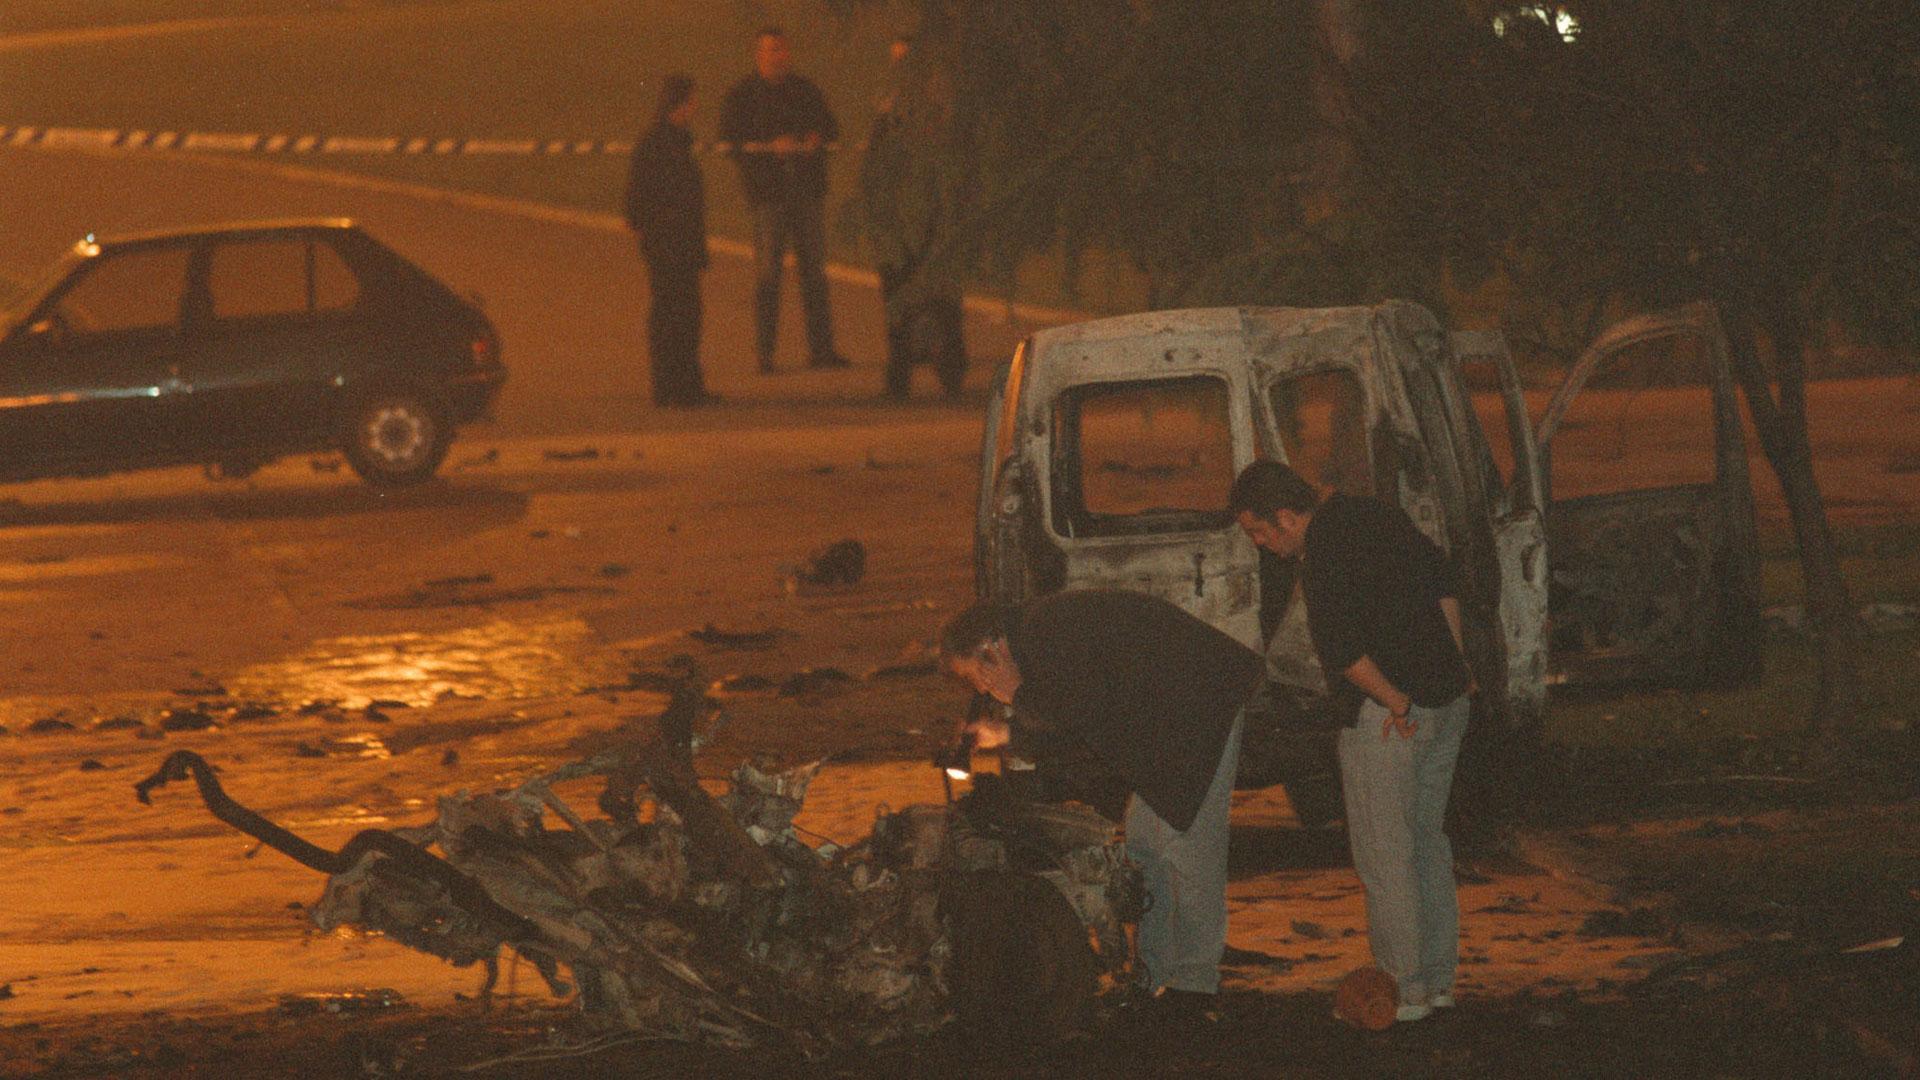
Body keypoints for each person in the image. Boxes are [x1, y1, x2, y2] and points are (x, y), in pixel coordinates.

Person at [939, 589, 1262, 1025]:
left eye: (977, 677)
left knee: (1189, 849)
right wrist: (1005, 730)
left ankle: (1195, 984)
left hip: (1199, 707)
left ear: (992, 650)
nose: (982, 689)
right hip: (1166, 717)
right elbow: (1072, 717)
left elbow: (1079, 714)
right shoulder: (1035, 635)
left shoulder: (1048, 634)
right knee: (1146, 847)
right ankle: (1154, 973)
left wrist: (1016, 695)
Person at [1229, 460, 1473, 1024]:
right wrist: (1451, 665)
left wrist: (1397, 702)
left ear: (1286, 517)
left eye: (1259, 532)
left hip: (1391, 719)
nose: (1262, 545)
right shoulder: (1375, 514)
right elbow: (1444, 585)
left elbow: (1343, 654)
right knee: (1426, 844)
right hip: (1448, 701)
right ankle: (1438, 983)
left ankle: (1402, 992)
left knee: (1385, 856)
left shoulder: (1322, 559)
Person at [719, 26, 849, 374]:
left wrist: (814, 138)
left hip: (806, 193)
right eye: (773, 50)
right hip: (768, 197)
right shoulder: (743, 96)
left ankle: (822, 349)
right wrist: (768, 146)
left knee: (815, 275)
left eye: (783, 49)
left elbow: (831, 128)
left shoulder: (805, 91)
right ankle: (765, 354)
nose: (780, 56)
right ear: (759, 55)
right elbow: (730, 139)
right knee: (767, 277)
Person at [858, 34, 967, 399]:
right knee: (898, 297)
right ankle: (900, 373)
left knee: (943, 297)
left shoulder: (938, 107)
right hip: (897, 225)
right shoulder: (888, 110)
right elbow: (874, 163)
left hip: (934, 220)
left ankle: (951, 368)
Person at [623, 74, 712, 407]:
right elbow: (640, 194)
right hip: (669, 241)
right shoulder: (660, 143)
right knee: (673, 314)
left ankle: (683, 384)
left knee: (683, 313)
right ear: (683, 102)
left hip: (677, 240)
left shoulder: (672, 140)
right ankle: (673, 386)